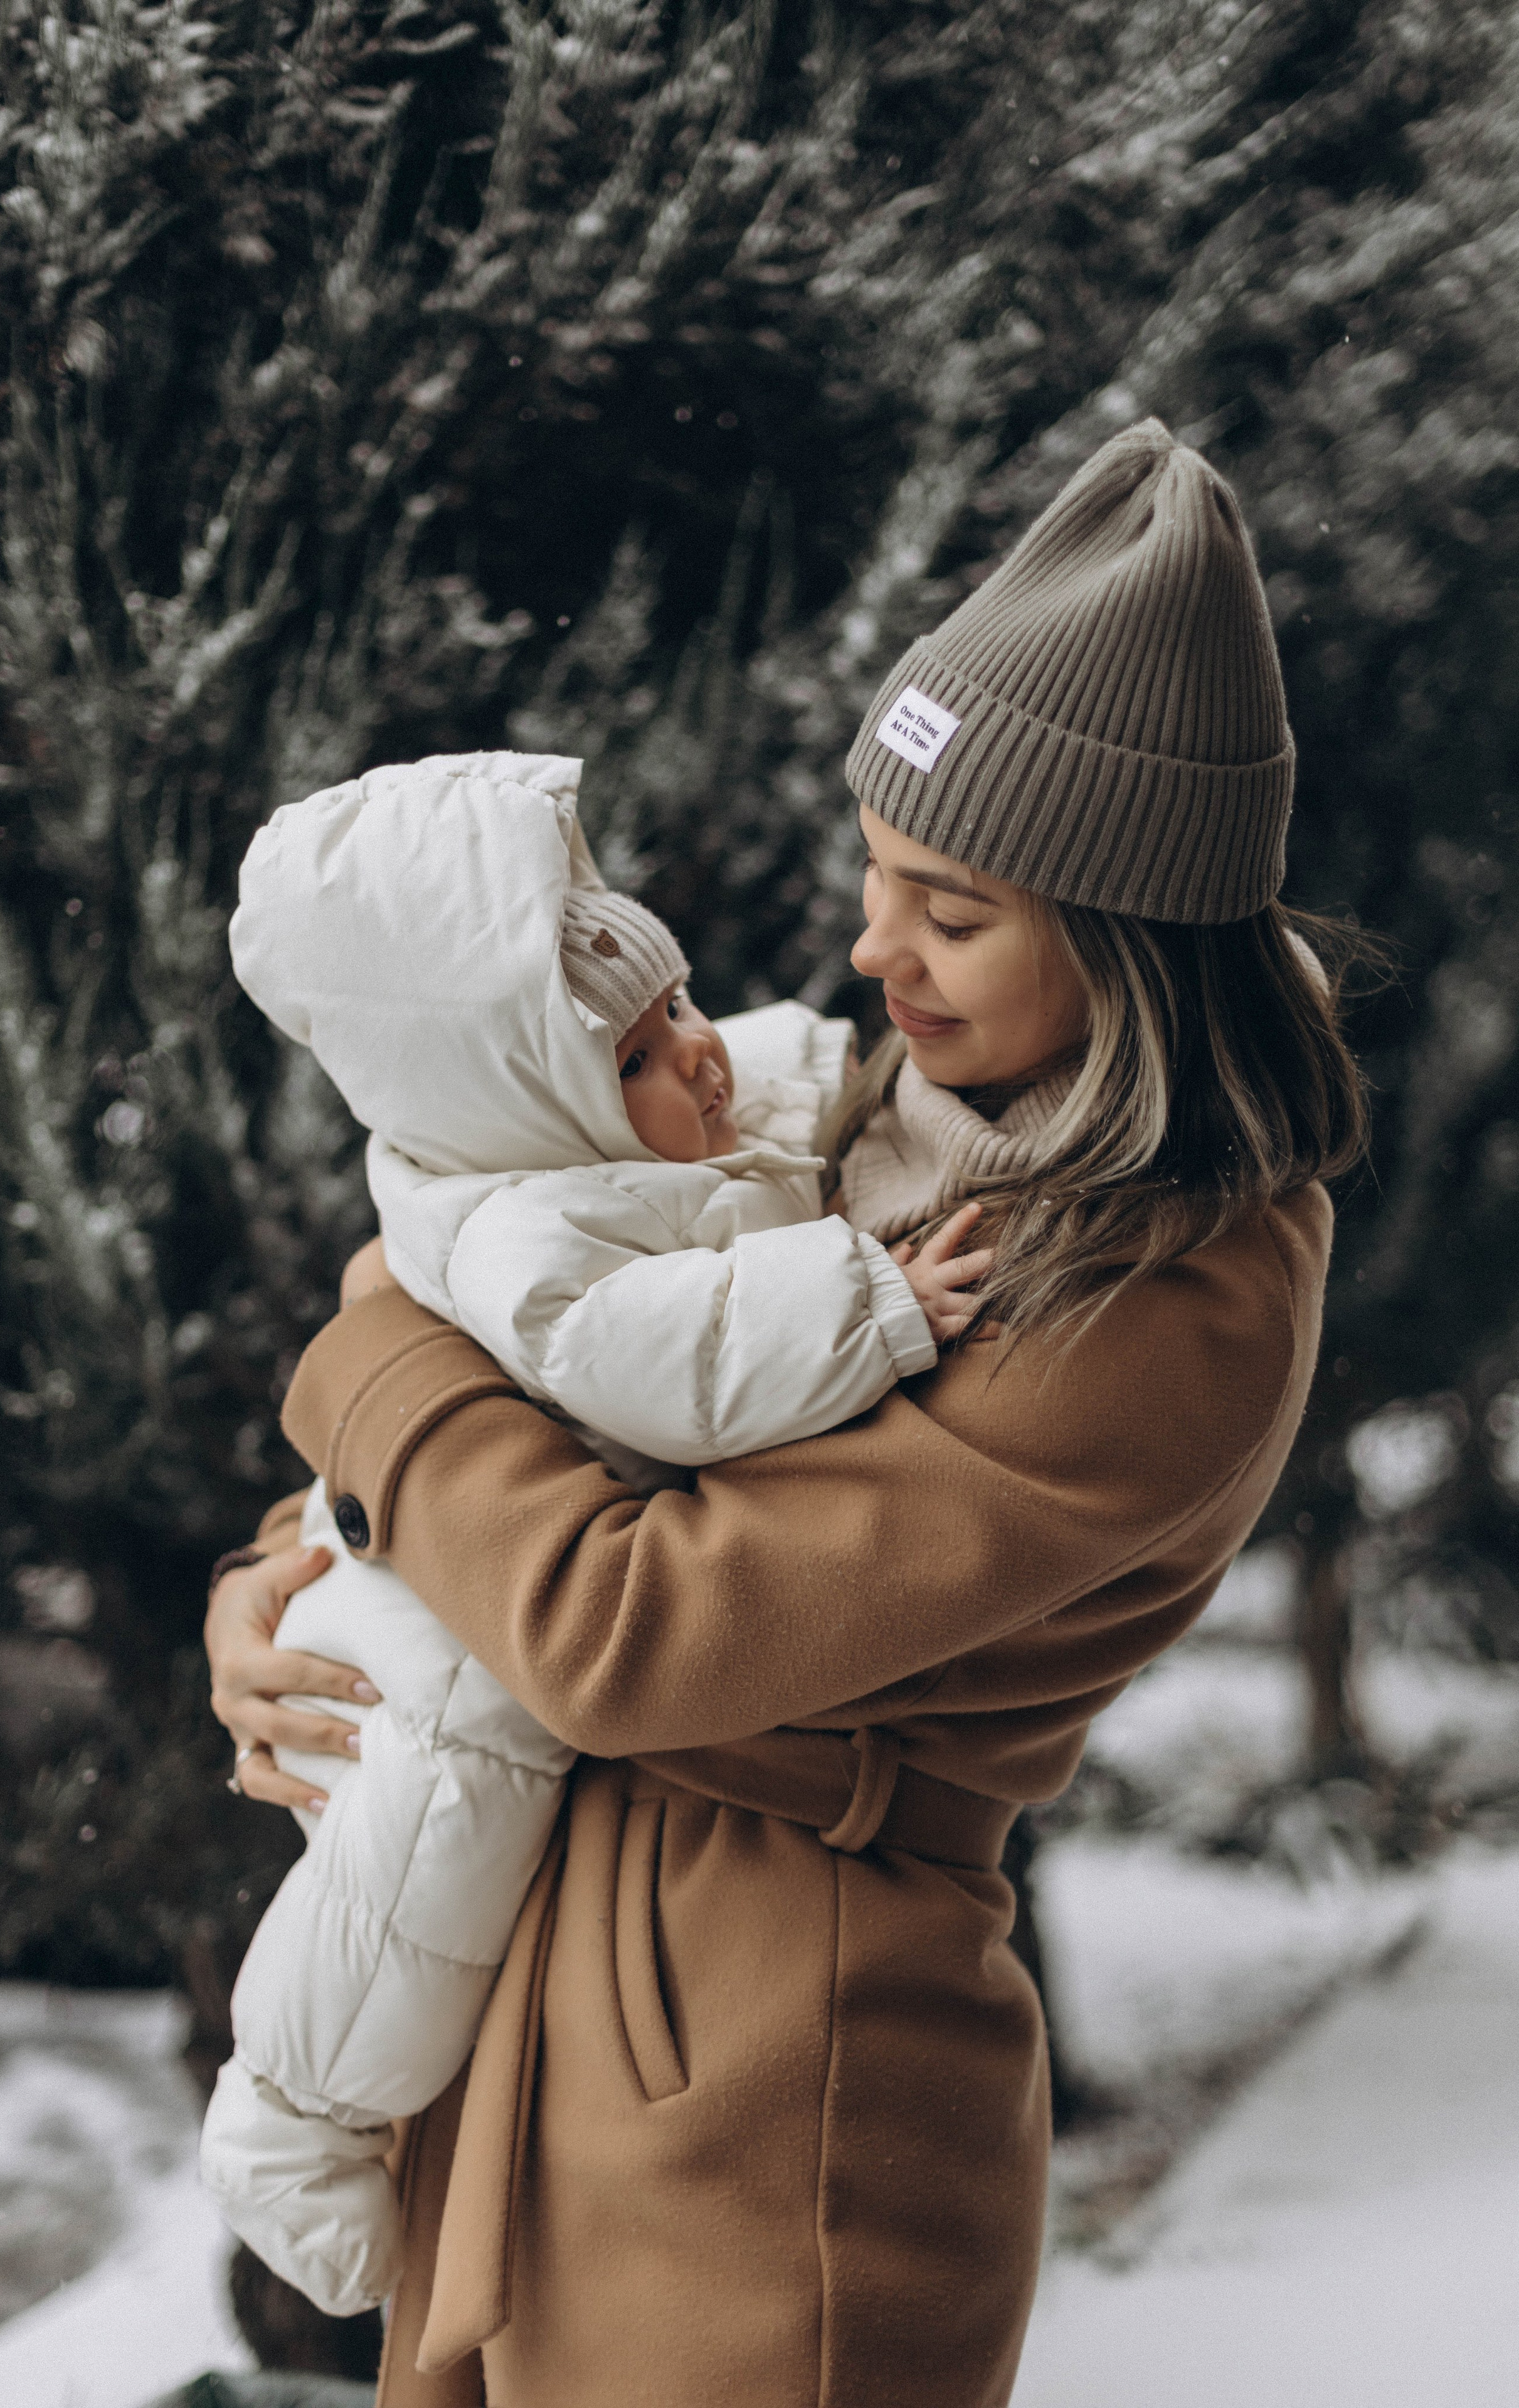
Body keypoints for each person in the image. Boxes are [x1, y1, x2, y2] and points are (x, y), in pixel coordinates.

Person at [206, 420, 1368, 2408]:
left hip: (774, 2063)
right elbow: (584, 1325)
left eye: (953, 908)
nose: (869, 943)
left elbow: (625, 1626)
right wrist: (294, 1580)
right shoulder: (873, 1108)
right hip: (571, 1988)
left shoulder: (1172, 1288)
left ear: (1130, 939)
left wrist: (372, 1357)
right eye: (879, 873)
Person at [201, 749, 986, 2317]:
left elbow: (743, 1093)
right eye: (637, 1054)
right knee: (434, 1819)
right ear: (536, 1099)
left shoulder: (615, 1135)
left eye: (681, 1007)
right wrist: (870, 1297)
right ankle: (296, 2107)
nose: (692, 1059)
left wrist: (824, 1061)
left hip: (468, 1545)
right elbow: (676, 1373)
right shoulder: (525, 1227)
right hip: (431, 1622)